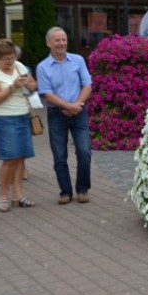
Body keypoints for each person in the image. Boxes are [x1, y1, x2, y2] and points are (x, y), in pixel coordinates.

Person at [37, 27, 92, 205]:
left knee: (84, 152)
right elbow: (47, 93)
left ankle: (82, 189)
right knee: (60, 155)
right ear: (48, 43)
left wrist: (77, 105)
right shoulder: (43, 67)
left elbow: (87, 85)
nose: (61, 43)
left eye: (64, 39)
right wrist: (68, 106)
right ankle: (65, 191)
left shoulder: (77, 60)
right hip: (56, 114)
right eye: (57, 40)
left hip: (79, 112)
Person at [0, 38, 37, 212]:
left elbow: (34, 85)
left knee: (21, 156)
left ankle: (18, 195)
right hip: (4, 119)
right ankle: (3, 196)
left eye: (12, 57)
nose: (10, 62)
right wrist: (13, 87)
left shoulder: (20, 66)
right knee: (10, 159)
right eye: (6, 59)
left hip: (22, 115)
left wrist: (29, 85)